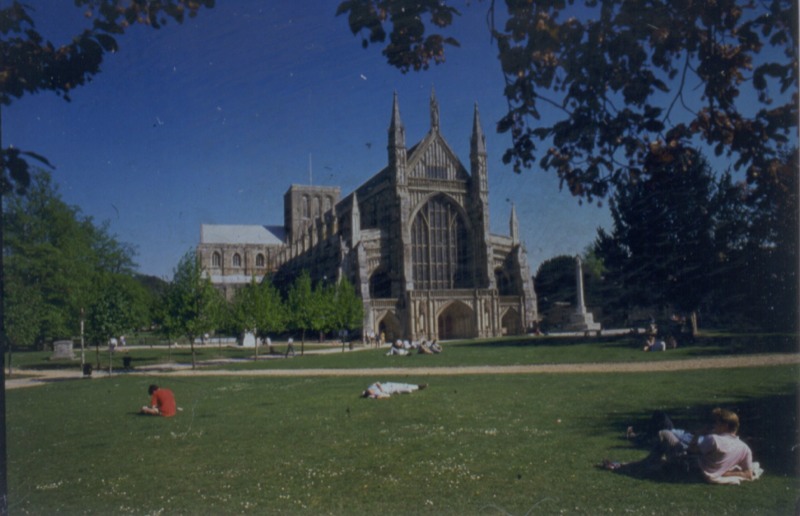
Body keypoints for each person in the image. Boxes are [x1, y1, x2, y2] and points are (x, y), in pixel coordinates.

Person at [361, 382, 427, 399]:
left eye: (369, 390)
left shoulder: (371, 387)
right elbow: (387, 396)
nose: (370, 390)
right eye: (370, 392)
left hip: (388, 384)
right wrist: (380, 396)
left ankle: (418, 386)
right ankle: (418, 387)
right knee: (408, 390)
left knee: (404, 384)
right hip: (392, 390)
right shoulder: (374, 395)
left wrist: (381, 388)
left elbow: (377, 383)